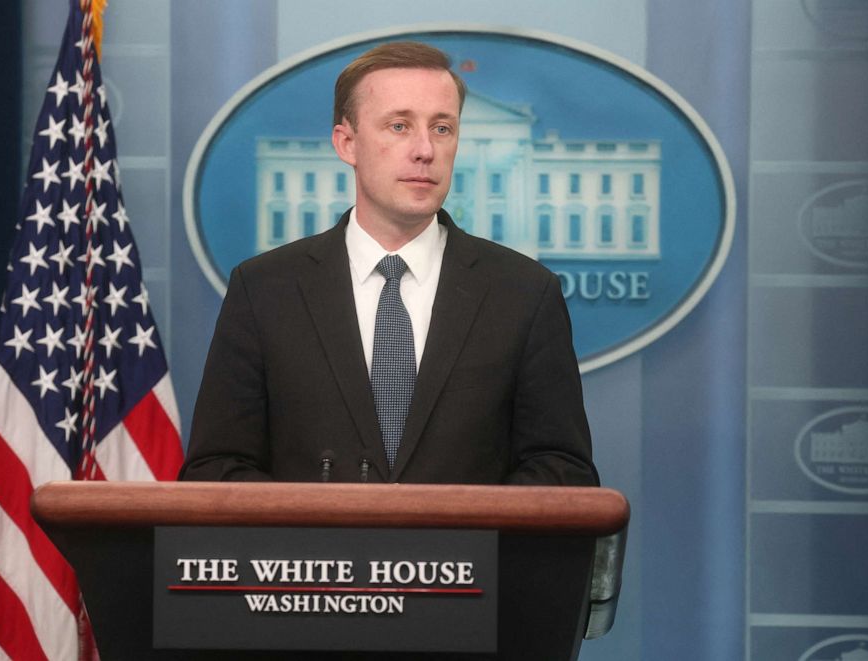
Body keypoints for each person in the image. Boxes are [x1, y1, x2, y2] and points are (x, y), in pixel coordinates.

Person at [180, 41, 597, 486]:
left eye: (442, 129)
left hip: (466, 555)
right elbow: (217, 470)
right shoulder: (264, 290)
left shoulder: (524, 293)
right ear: (347, 143)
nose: (425, 150)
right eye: (399, 126)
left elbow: (563, 474)